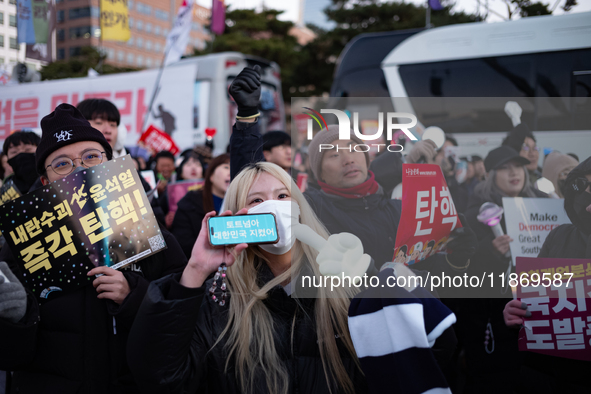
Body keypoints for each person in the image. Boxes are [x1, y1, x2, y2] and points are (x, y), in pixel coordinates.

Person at [128, 162, 370, 394]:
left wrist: (365, 290)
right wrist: (195, 270)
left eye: (283, 196)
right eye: (257, 200)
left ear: (299, 206)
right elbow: (163, 379)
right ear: (238, 217)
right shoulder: (220, 298)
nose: (274, 206)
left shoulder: (340, 278)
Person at [0, 104, 186, 393]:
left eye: (90, 157)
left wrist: (134, 295)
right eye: (62, 163)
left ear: (109, 162)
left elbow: (182, 307)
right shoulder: (24, 242)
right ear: (46, 180)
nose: (79, 168)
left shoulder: (145, 227)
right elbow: (12, 355)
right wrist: (16, 317)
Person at [227, 67, 476, 275]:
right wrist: (247, 118)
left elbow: (425, 274)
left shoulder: (400, 209)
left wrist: (455, 258)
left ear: (367, 160)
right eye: (333, 155)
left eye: (354, 149)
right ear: (319, 173)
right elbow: (251, 179)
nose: (347, 159)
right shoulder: (309, 210)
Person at [458, 145, 547, 393]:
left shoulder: (543, 207)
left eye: (517, 166)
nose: (513, 173)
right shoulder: (475, 215)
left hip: (538, 312)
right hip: (493, 322)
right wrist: (490, 253)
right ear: (491, 174)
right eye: (505, 168)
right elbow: (462, 275)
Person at [503, 156, 591, 393]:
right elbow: (533, 298)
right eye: (584, 188)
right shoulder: (559, 236)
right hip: (549, 373)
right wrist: (515, 310)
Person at [171, 154, 231, 258]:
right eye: (226, 167)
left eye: (234, 168)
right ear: (211, 175)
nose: (231, 172)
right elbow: (182, 245)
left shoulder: (245, 204)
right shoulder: (189, 203)